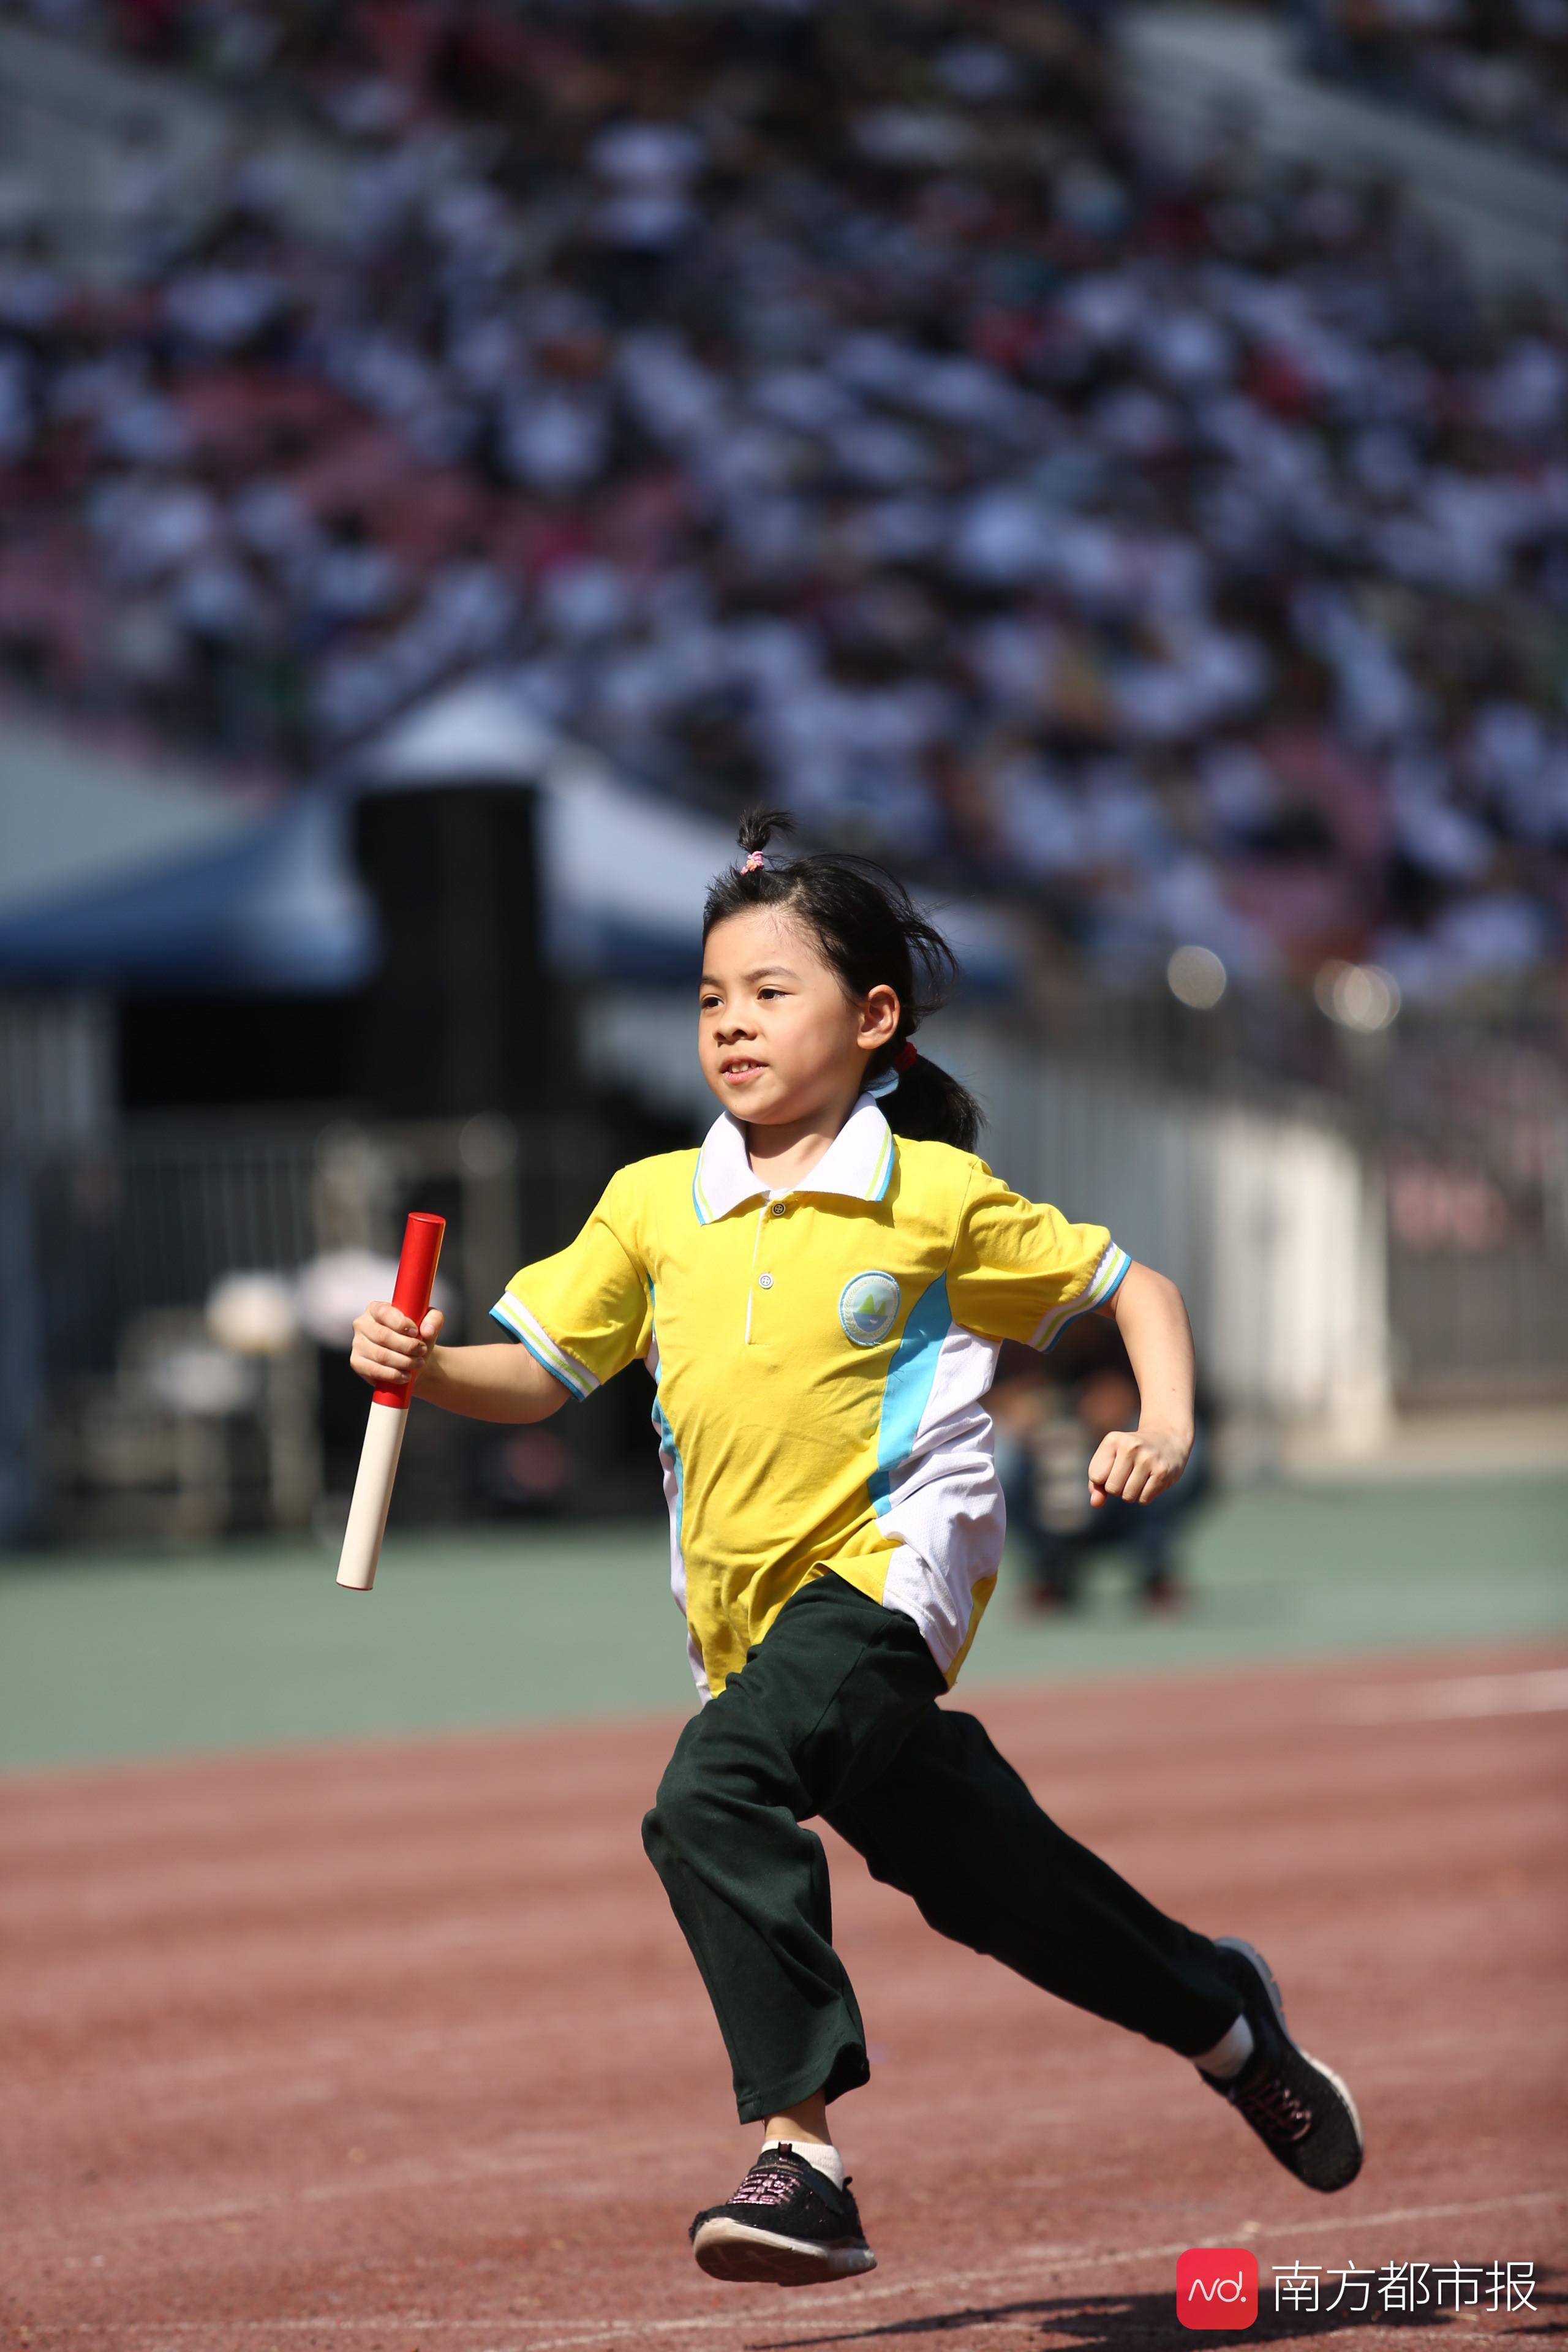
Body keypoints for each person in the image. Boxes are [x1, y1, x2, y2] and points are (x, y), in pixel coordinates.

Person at [349, 809, 1363, 2291]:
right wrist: (424, 1363)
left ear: (871, 1017)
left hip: (889, 1576)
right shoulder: (651, 1203)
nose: (730, 1024)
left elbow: (1128, 1284)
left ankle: (801, 2157)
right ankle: (1223, 2015)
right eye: (709, 998)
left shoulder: (929, 1194)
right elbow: (535, 1365)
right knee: (997, 1884)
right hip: (742, 1626)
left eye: (769, 992)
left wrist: (1165, 1412)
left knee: (712, 1790)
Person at [992, 1330, 1215, 1610]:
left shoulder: (1135, 1319)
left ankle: (1154, 1558)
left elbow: (1200, 1406)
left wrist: (1140, 1407)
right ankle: (1047, 1564)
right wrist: (1011, 1406)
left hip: (1121, 1489)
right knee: (995, 1451)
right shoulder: (1009, 1326)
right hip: (1042, 1480)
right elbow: (963, 1401)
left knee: (1182, 1450)